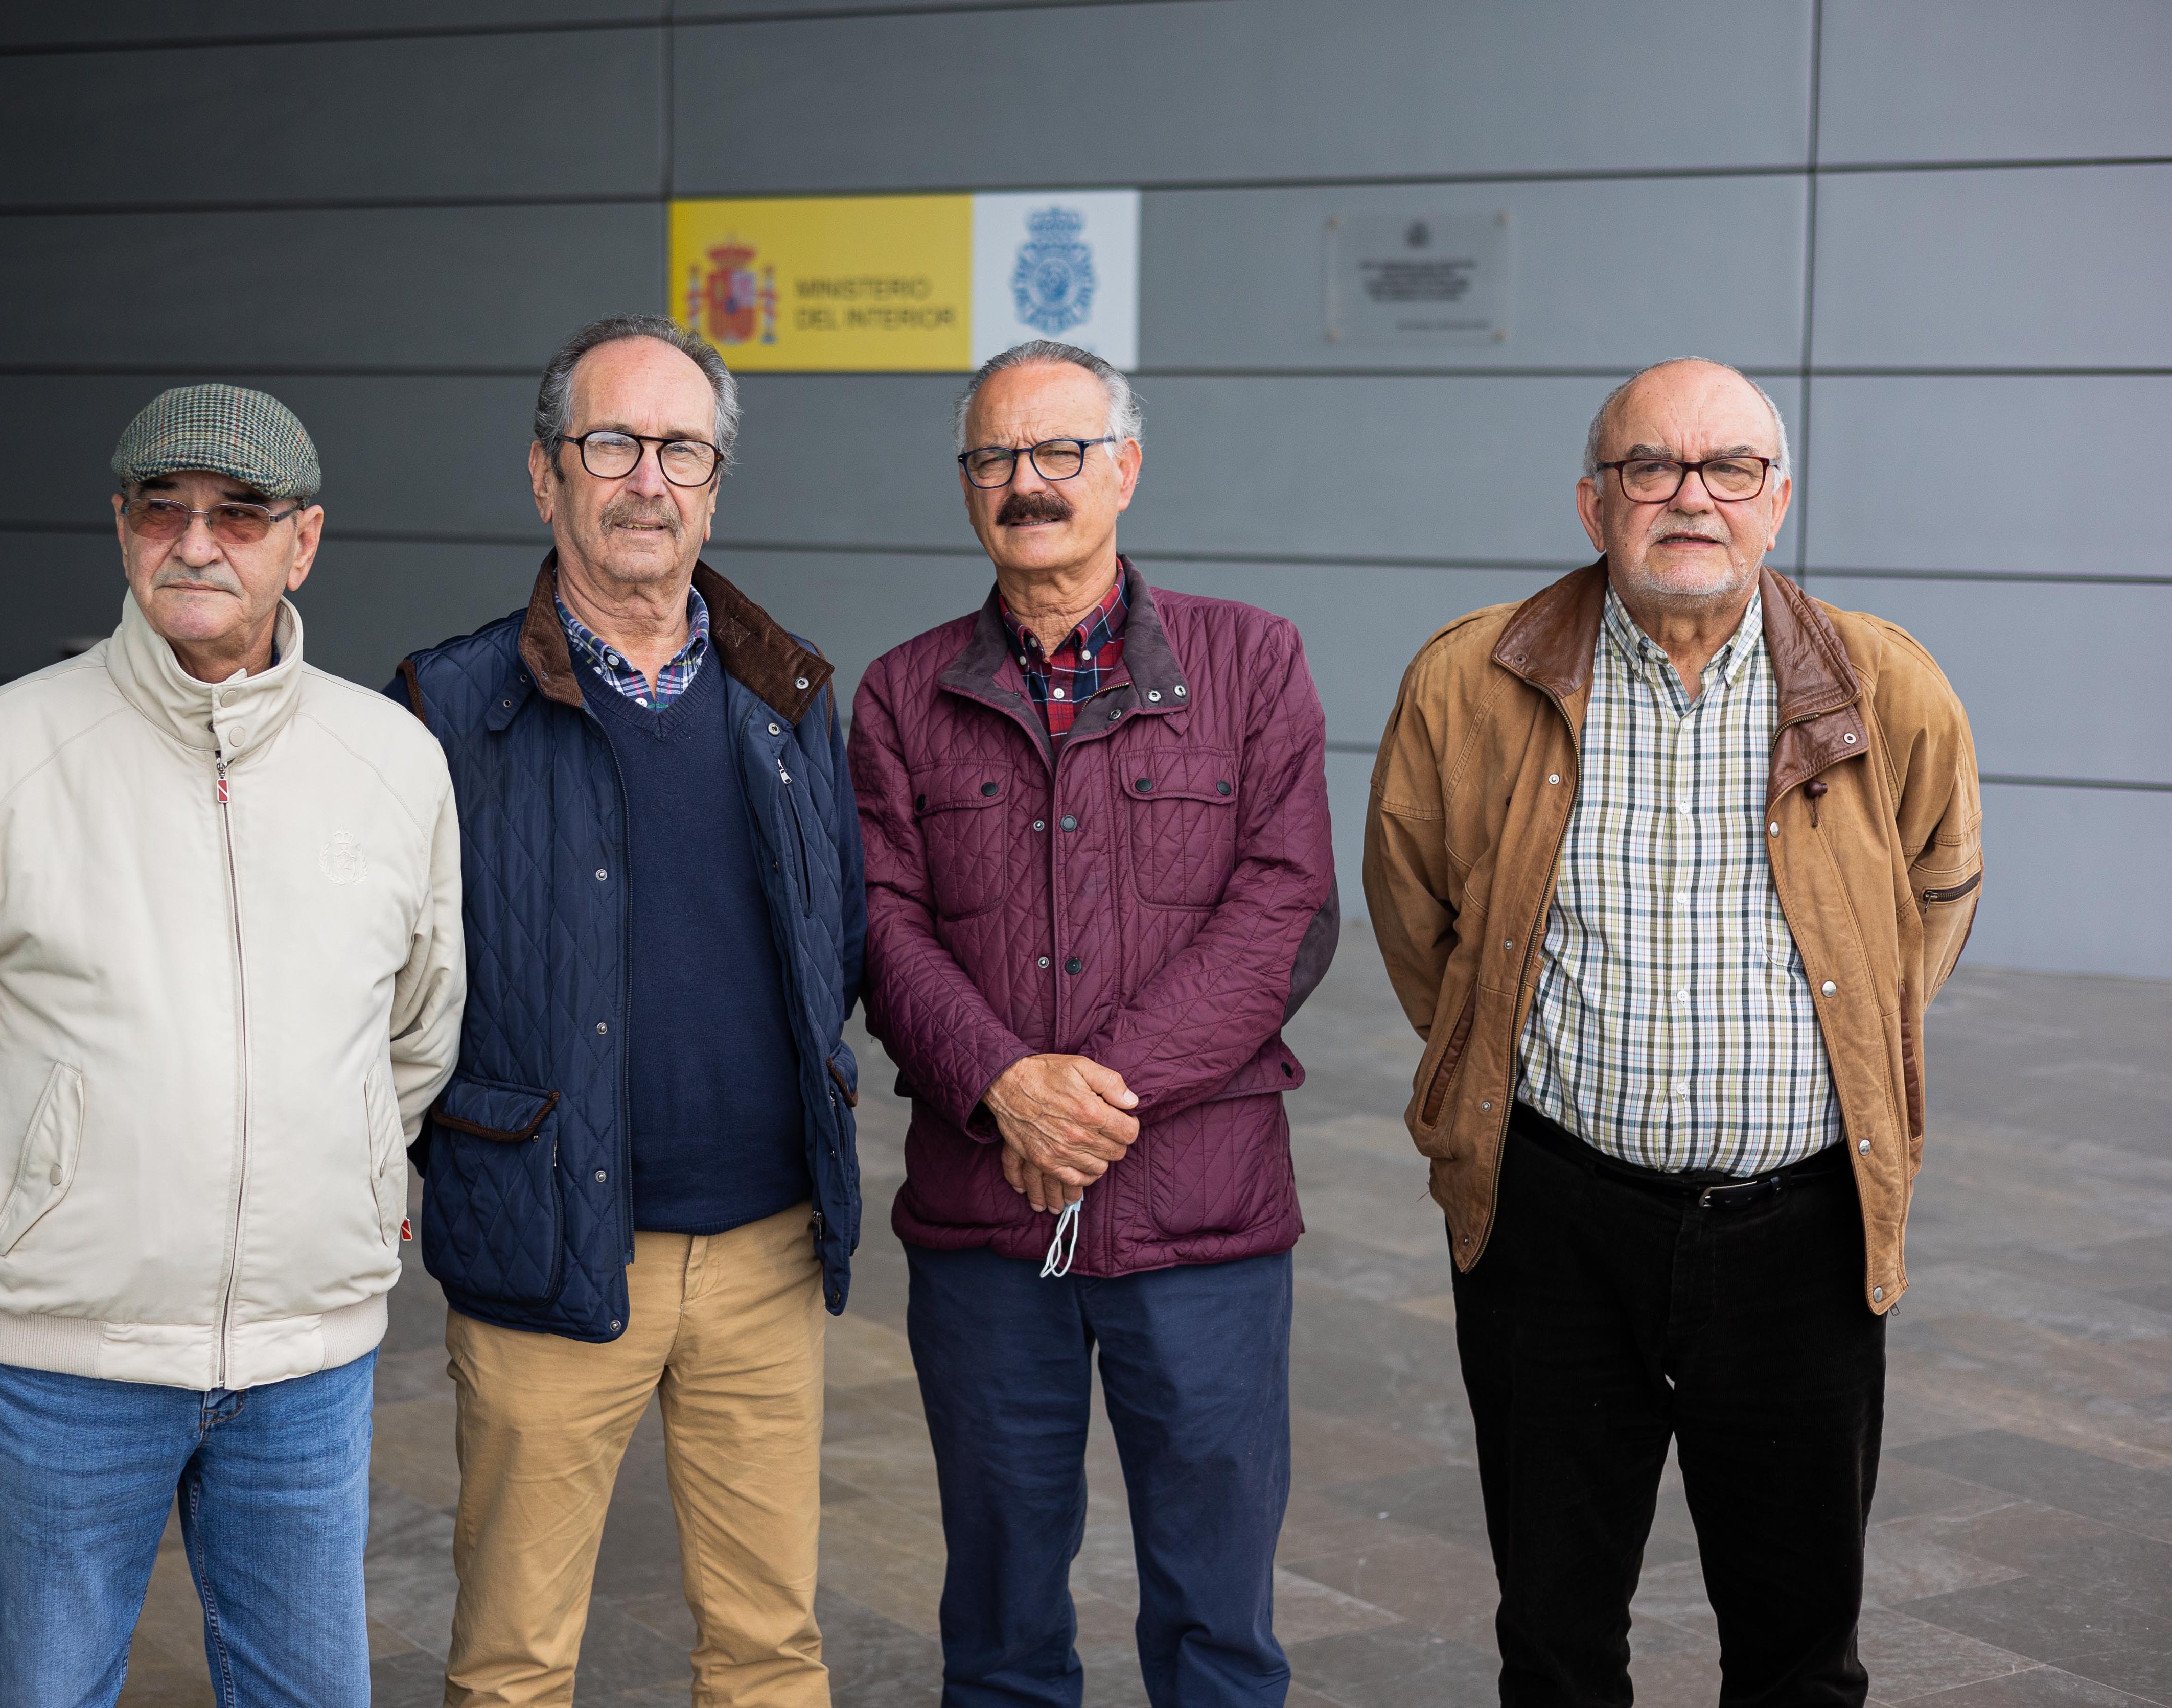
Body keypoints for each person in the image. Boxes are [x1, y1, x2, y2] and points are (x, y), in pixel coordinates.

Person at [0, 383, 466, 1707]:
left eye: (240, 513)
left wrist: (335, 1172)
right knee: (48, 1690)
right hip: (65, 1365)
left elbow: (417, 1030)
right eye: (161, 509)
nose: (197, 541)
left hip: (306, 1369)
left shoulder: (393, 762)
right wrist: (26, 1203)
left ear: (306, 543)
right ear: (122, 531)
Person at [1365, 357, 1984, 1704]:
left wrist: (1853, 1058)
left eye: (1730, 470)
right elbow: (1423, 926)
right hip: (1551, 1224)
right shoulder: (1471, 679)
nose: (1690, 498)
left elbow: (1935, 889)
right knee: (1556, 1634)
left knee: (1801, 1645)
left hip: (1804, 1233)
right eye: (1652, 468)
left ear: (1780, 499)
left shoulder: (1887, 687)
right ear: (1594, 502)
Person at [850, 340, 1337, 1707]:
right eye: (996, 458)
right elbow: (881, 929)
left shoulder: (1251, 662)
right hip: (985, 1229)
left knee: (1218, 1623)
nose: (1028, 484)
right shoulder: (901, 693)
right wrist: (1005, 1087)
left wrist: (1088, 1097)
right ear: (965, 489)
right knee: (1000, 1624)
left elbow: (1287, 907)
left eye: (1060, 452)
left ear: (1125, 468)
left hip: (1204, 1225)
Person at [387, 314, 863, 1708]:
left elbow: (834, 938)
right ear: (547, 477)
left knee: (773, 1654)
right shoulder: (445, 705)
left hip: (767, 1248)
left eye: (680, 449)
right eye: (611, 444)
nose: (645, 479)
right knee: (515, 1667)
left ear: (715, 483)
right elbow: (387, 980)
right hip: (549, 1247)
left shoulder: (790, 691)